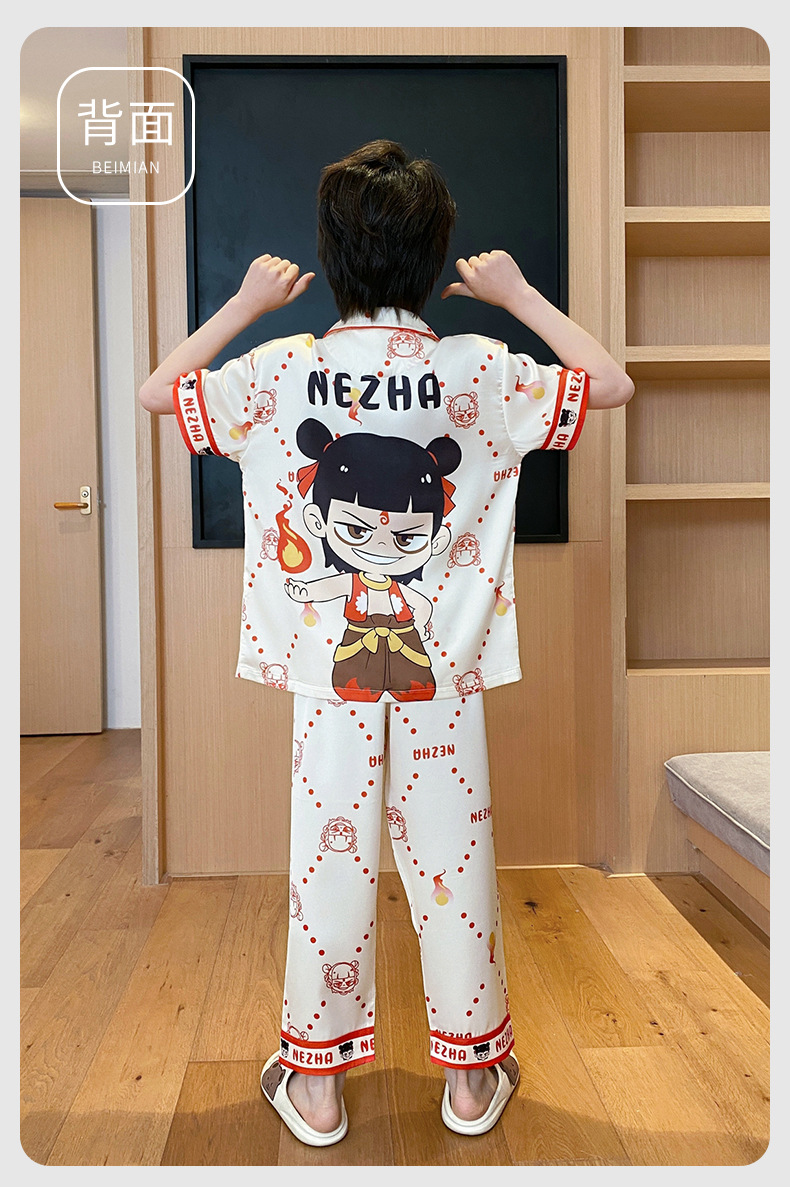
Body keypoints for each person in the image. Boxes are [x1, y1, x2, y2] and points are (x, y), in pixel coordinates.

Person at [139, 140, 634, 1147]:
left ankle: (317, 1087)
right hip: (442, 680)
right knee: (454, 867)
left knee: (328, 869)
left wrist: (244, 303)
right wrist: (519, 294)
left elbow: (160, 392)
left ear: (329, 253)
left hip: (331, 686)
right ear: (435, 252)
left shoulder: (284, 368)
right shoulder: (479, 368)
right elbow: (611, 382)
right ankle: (470, 1080)